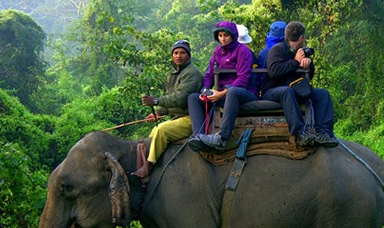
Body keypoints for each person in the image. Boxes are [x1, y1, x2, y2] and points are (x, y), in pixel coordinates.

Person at [132, 40, 203, 185]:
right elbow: (170, 96)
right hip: (176, 117)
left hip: (190, 118)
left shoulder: (192, 74)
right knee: (154, 131)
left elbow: (180, 99)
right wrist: (158, 113)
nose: (178, 56)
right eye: (176, 53)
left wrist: (156, 101)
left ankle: (148, 166)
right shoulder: (173, 74)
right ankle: (145, 162)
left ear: (188, 55)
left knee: (161, 130)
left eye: (182, 53)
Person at [260, 21, 338, 147]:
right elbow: (274, 71)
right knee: (286, 91)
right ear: (301, 38)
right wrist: (295, 61)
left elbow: (308, 77)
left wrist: (308, 64)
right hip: (272, 91)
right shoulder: (277, 49)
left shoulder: (299, 51)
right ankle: (300, 132)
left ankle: (324, 133)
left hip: (294, 88)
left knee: (322, 94)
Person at [187, 21, 259, 152]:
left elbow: (243, 78)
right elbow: (208, 74)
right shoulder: (217, 52)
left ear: (233, 36)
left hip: (244, 93)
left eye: (226, 35)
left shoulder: (243, 51)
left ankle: (222, 137)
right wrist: (205, 90)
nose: (223, 38)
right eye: (220, 35)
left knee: (233, 92)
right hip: (223, 93)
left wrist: (222, 93)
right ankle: (198, 136)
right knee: (193, 97)